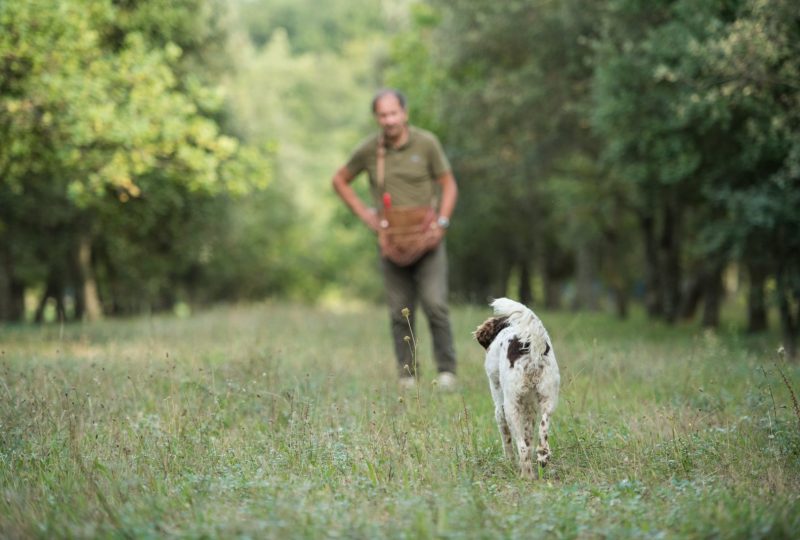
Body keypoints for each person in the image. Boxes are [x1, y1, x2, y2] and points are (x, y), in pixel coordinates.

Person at [331, 89, 459, 389]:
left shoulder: (426, 143)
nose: (389, 120)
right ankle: (407, 375)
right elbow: (340, 180)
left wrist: (442, 220)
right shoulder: (368, 151)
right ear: (377, 118)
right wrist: (366, 216)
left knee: (435, 304)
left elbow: (448, 183)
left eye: (393, 113)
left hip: (428, 240)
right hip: (392, 243)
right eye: (383, 115)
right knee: (399, 311)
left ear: (405, 113)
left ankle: (447, 372)